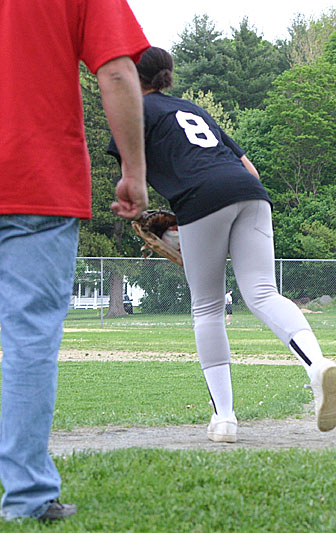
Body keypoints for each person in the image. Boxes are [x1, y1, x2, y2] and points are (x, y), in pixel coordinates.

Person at [108, 47, 336, 444]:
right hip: (251, 192)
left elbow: (133, 177)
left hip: (201, 200)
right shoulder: (194, 110)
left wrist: (146, 213)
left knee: (208, 308)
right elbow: (248, 167)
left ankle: (225, 418)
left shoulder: (133, 111)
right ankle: (316, 364)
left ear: (134, 77)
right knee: (264, 293)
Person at [0, 0, 149, 522]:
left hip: (34, 183)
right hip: (32, 178)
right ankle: (26, 497)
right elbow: (115, 68)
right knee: (28, 339)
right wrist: (133, 169)